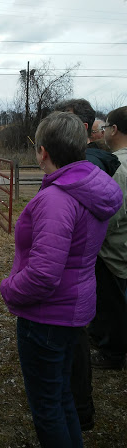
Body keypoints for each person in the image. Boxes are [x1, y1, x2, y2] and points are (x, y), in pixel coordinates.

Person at [0, 111, 122, 448]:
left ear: (42, 152)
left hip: (46, 317)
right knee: (62, 396)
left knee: (47, 408)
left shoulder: (57, 199)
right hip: (73, 310)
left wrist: (8, 288)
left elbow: (42, 275)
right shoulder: (87, 185)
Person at [55, 98, 120, 430]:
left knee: (73, 341)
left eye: (62, 124)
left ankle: (79, 409)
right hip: (85, 270)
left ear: (80, 130)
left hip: (74, 273)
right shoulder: (93, 166)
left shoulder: (85, 169)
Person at [88, 106, 127, 370]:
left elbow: (112, 215)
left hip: (115, 253)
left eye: (105, 128)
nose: (103, 133)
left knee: (114, 306)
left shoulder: (118, 166)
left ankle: (112, 353)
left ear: (113, 130)